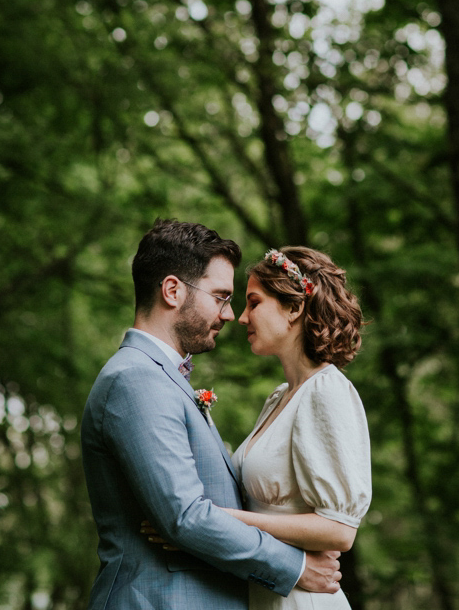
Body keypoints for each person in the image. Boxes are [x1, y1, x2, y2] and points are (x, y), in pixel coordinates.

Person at [80, 220, 342, 610]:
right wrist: (296, 567)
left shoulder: (162, 379)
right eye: (221, 296)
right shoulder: (136, 378)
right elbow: (186, 516)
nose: (229, 314)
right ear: (173, 291)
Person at [222, 246, 372, 610]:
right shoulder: (280, 397)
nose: (242, 318)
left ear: (294, 308)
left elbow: (339, 530)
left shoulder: (327, 391)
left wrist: (222, 522)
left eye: (254, 303)